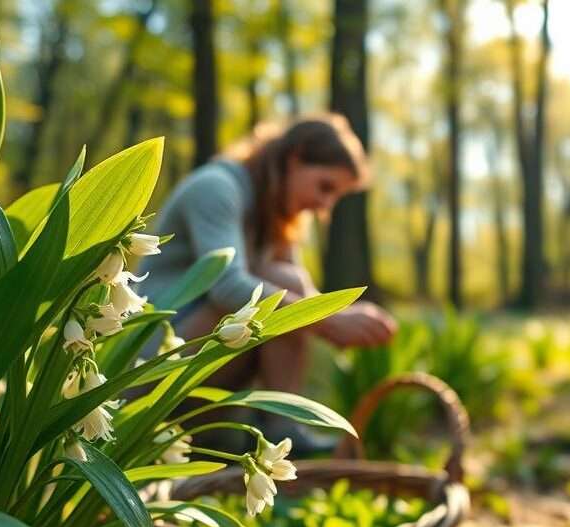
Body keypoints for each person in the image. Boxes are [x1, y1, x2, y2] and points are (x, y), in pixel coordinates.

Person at [139, 114, 397, 451]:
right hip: (150, 359)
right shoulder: (216, 188)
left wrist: (344, 318)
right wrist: (330, 322)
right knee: (280, 284)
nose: (325, 205)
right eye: (325, 187)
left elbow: (303, 296)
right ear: (295, 158)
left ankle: (278, 435)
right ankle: (277, 432)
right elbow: (227, 287)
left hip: (197, 355)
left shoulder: (275, 215)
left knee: (287, 281)